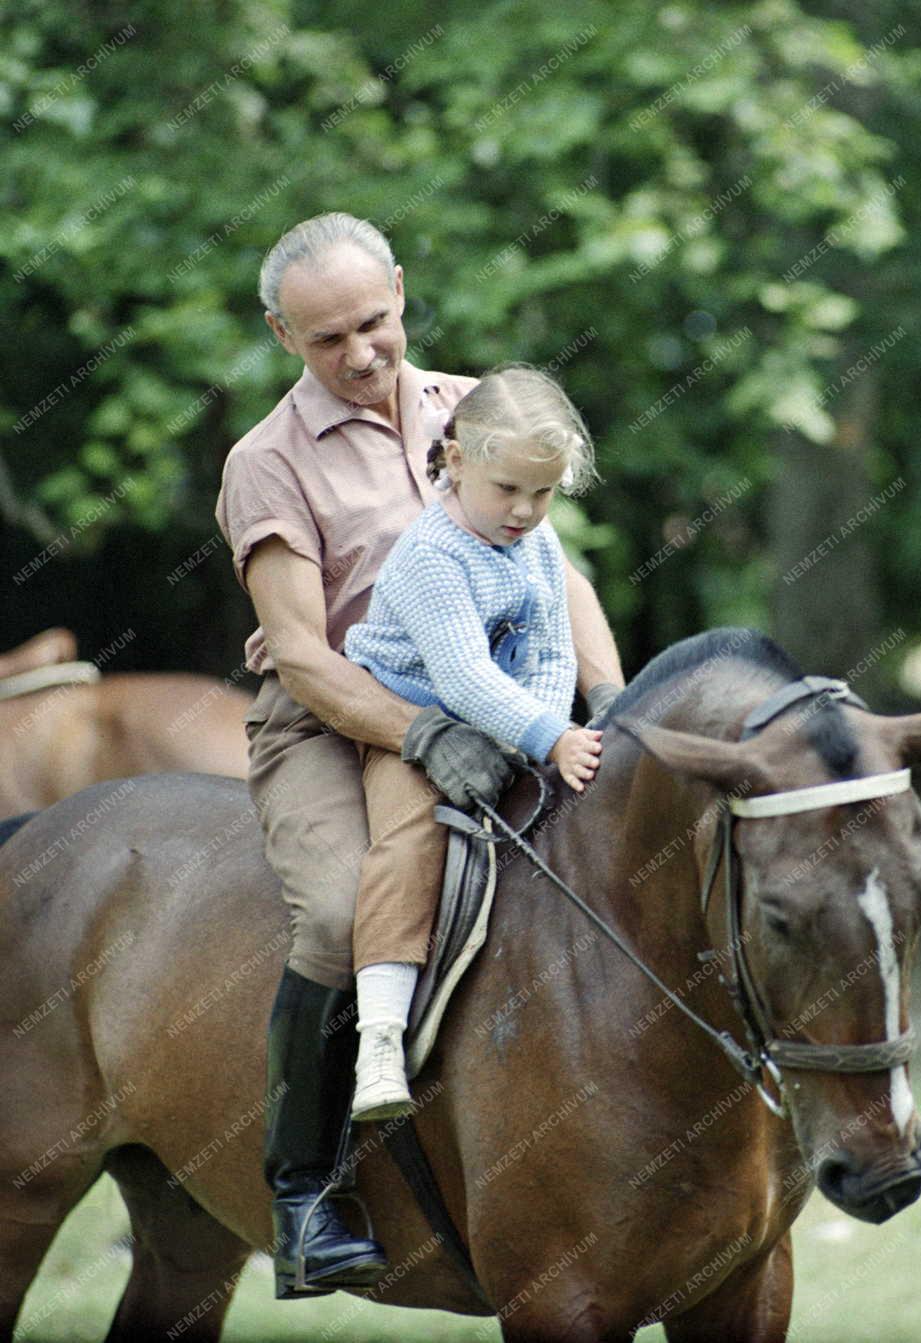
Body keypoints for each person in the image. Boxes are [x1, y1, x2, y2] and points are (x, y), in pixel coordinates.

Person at [214, 211, 623, 1300]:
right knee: (348, 912)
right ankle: (305, 1192)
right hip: (336, 717)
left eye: (373, 322)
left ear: (400, 289)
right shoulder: (265, 462)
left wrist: (615, 703)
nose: (358, 353)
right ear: (280, 335)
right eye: (325, 338)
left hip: (503, 702)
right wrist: (423, 732)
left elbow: (557, 575)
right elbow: (301, 651)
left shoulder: (475, 409)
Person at [343, 365, 604, 1122]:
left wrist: (541, 740)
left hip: (511, 722)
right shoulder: (433, 556)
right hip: (412, 721)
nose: (524, 510)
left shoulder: (538, 542)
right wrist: (552, 735)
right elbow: (460, 676)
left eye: (543, 492)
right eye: (507, 490)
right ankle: (381, 1038)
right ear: (457, 461)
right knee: (410, 842)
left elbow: (554, 650)